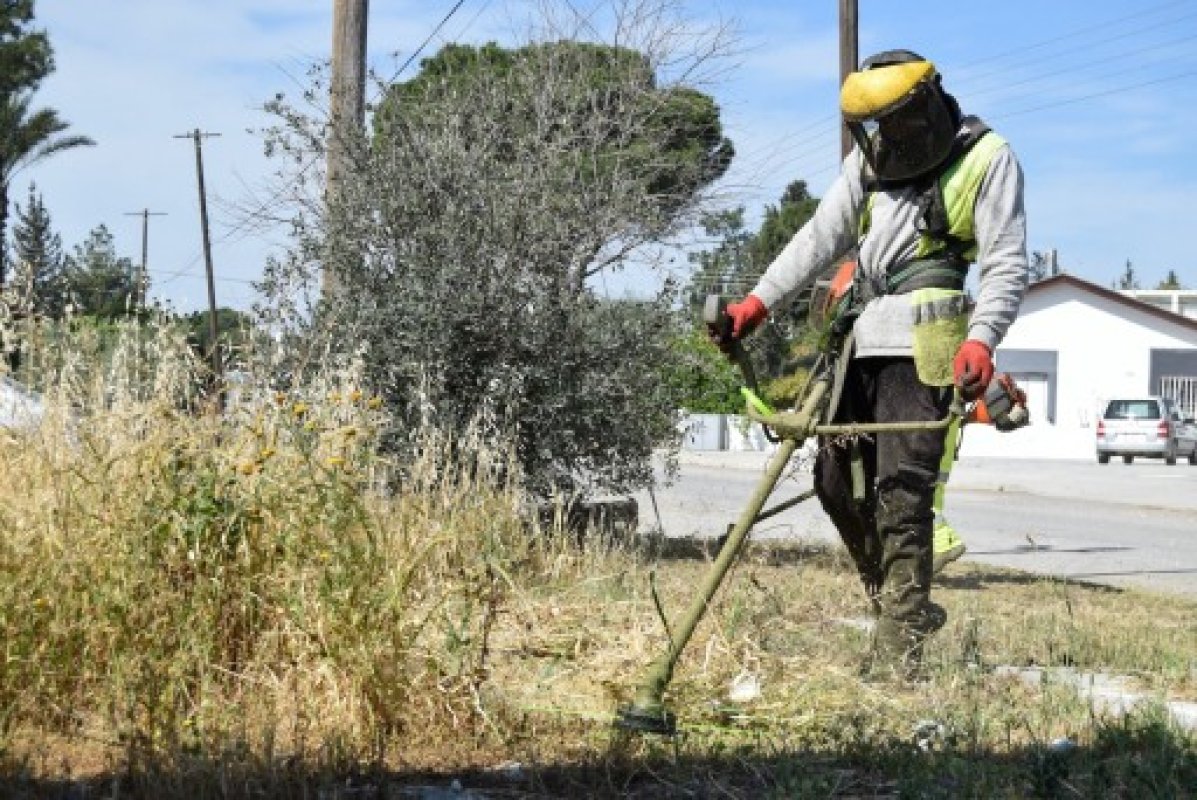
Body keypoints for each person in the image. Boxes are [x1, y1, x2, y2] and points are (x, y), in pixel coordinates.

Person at [711, 50, 1028, 680]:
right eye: (873, 125)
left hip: (929, 343)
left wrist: (983, 338)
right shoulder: (872, 159)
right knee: (834, 484)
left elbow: (1008, 262)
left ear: (923, 107)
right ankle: (895, 608)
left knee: (901, 494)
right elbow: (819, 235)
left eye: (892, 121)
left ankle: (897, 652)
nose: (885, 136)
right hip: (859, 338)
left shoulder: (988, 157)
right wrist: (759, 302)